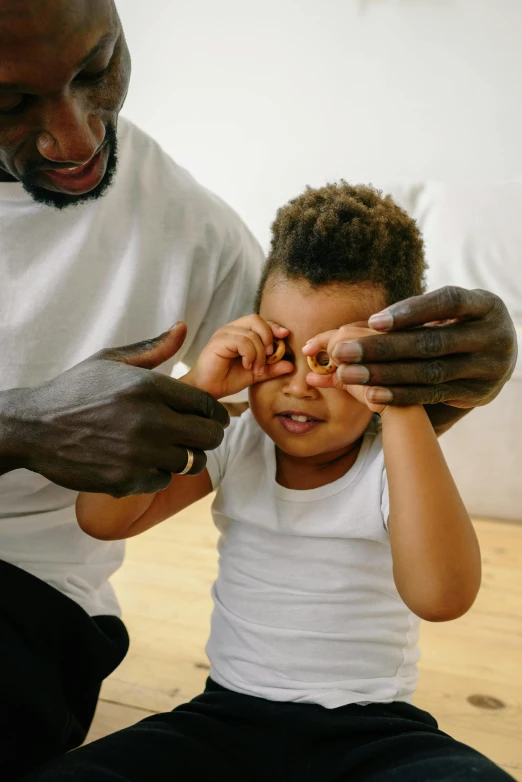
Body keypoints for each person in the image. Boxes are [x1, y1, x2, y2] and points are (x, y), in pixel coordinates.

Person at [0, 0, 517, 777]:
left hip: (373, 736)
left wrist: (402, 401)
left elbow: (442, 594)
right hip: (223, 723)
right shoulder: (239, 438)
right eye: (284, 348)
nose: (303, 386)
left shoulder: (390, 463)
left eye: (334, 357)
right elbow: (107, 519)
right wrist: (203, 387)